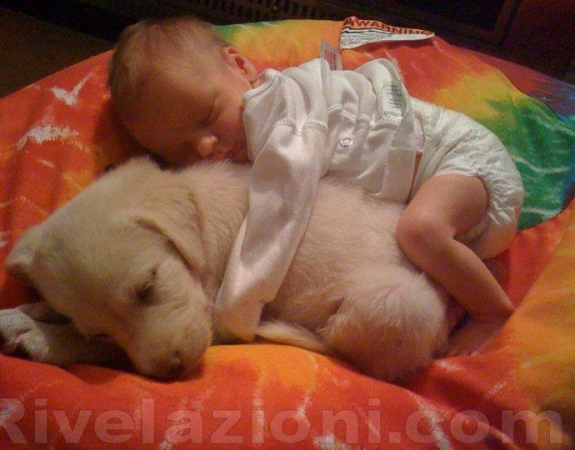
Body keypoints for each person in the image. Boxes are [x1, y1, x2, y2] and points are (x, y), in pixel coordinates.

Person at [108, 17, 524, 356]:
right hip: (444, 200)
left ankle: (491, 312)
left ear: (239, 65)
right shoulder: (245, 135)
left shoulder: (284, 118)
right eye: (180, 151)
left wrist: (236, 310)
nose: (204, 146)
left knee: (420, 230)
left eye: (207, 115)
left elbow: (278, 215)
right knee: (420, 242)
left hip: (462, 160)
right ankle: (466, 279)